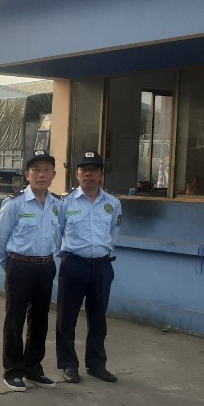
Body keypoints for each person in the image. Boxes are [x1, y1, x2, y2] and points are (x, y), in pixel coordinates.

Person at [0, 150, 61, 392]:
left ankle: (34, 368)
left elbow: (59, 235)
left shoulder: (57, 204)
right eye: (36, 170)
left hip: (46, 266)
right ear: (27, 175)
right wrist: (9, 266)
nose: (41, 175)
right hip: (19, 266)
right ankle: (13, 370)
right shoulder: (15, 203)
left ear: (53, 175)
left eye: (46, 170)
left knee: (40, 319)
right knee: (15, 319)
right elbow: (0, 238)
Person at [56, 151, 122, 384]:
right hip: (74, 264)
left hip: (102, 267)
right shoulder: (65, 202)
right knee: (67, 317)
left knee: (98, 318)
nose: (89, 174)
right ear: (77, 174)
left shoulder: (113, 203)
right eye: (84, 170)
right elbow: (57, 232)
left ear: (101, 175)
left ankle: (96, 365)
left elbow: (113, 233)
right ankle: (68, 365)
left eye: (94, 170)